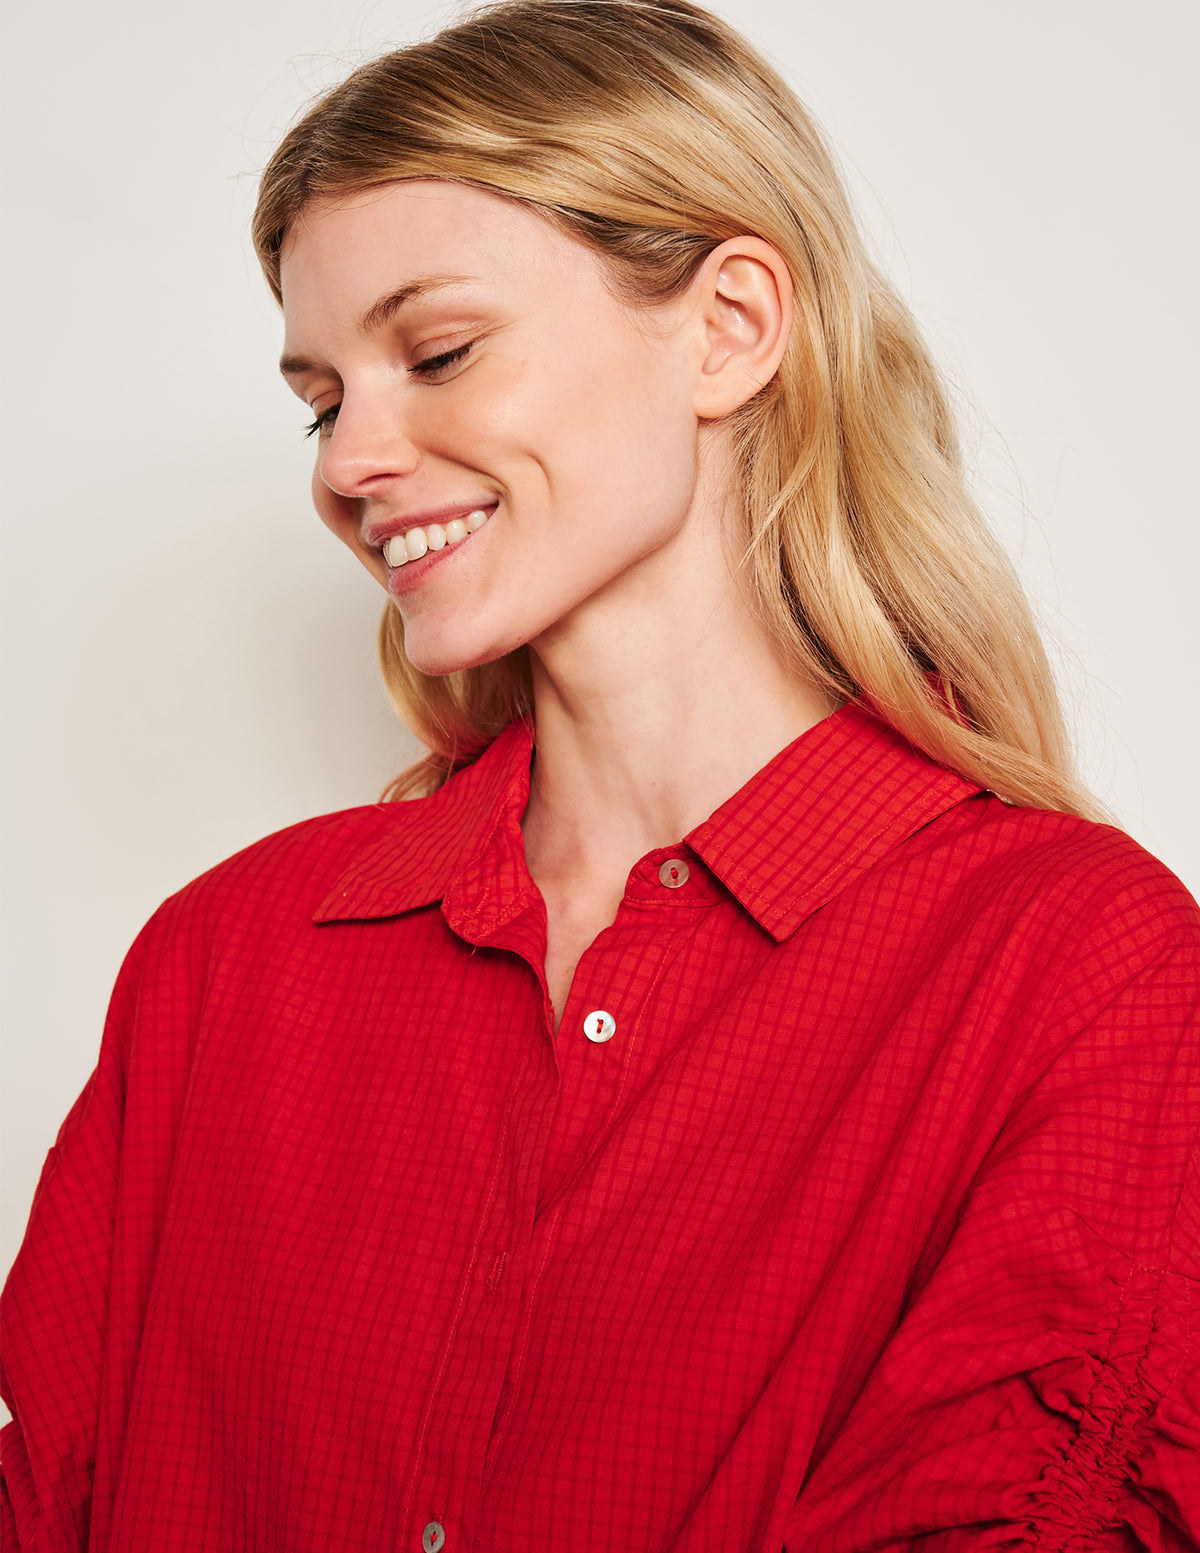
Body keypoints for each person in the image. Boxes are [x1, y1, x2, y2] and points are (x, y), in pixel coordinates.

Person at [3, 0, 1197, 1547]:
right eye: (322, 403)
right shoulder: (222, 965)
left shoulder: (1075, 968)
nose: (349, 463)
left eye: (438, 352)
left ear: (730, 326)